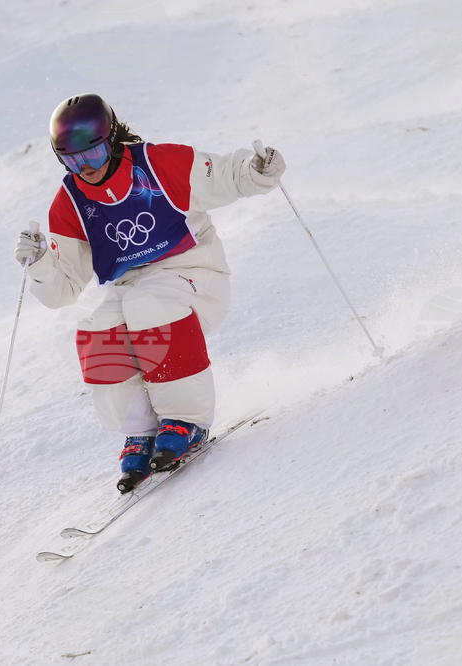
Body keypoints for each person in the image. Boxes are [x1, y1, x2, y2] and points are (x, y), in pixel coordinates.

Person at [14, 93, 284, 494]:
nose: (85, 168)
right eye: (72, 161)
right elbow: (62, 290)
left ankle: (186, 421)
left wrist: (256, 170)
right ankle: (141, 432)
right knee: (97, 327)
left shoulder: (157, 165)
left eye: (93, 154)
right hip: (133, 288)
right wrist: (40, 264)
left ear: (111, 139)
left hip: (194, 274)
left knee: (148, 304)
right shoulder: (71, 202)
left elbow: (224, 175)